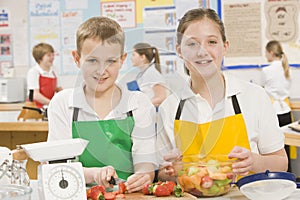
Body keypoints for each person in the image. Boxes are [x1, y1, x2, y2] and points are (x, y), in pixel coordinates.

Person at [156, 8, 288, 181]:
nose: (202, 52)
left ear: (225, 47)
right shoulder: (169, 107)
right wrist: (172, 171)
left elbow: (281, 162)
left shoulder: (254, 96)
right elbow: (162, 175)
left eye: (211, 42)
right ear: (179, 51)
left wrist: (254, 162)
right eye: (191, 44)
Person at [47, 16, 157, 193]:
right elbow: (57, 167)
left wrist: (144, 176)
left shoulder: (139, 103)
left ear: (122, 60)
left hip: (128, 195)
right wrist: (94, 175)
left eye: (111, 61)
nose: (101, 70)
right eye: (92, 60)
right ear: (77, 58)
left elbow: (145, 163)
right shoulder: (62, 103)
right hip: (78, 194)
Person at [262, 40, 292, 172]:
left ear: (271, 52)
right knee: (287, 147)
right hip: (286, 109)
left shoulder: (267, 70)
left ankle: (277, 175)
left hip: (273, 111)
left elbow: (261, 89)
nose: (265, 55)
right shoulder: (286, 68)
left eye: (266, 52)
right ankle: (289, 173)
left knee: (273, 148)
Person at [128, 43, 168, 107]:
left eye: (133, 55)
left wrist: (142, 105)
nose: (131, 58)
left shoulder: (153, 74)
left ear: (142, 57)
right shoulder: (141, 74)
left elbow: (161, 97)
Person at [27, 43, 62, 108]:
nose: (52, 57)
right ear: (40, 58)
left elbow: (59, 89)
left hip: (48, 107)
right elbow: (35, 95)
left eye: (53, 55)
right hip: (35, 109)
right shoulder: (34, 72)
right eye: (49, 55)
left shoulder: (54, 71)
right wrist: (52, 103)